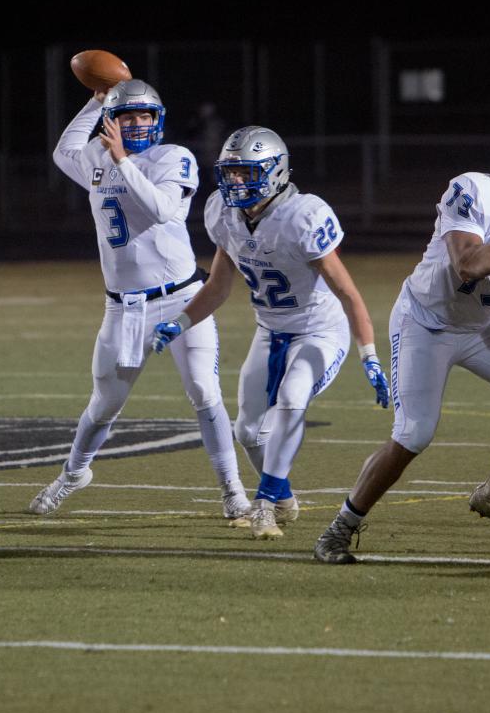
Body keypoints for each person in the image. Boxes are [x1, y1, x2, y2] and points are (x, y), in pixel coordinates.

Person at [314, 129, 490, 564]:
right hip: (426, 322)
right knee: (413, 434)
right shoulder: (477, 190)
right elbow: (468, 264)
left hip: (485, 326)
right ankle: (339, 529)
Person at [151, 126, 389, 539]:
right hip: (270, 330)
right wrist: (180, 322)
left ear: (274, 172)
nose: (236, 181)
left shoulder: (303, 216)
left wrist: (368, 354)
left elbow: (348, 294)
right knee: (247, 430)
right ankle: (282, 496)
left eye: (245, 172)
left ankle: (263, 502)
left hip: (318, 330)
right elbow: (218, 288)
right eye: (231, 172)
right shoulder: (225, 215)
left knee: (293, 397)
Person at [32, 79, 249, 518]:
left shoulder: (173, 157)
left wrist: (120, 160)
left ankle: (232, 489)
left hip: (183, 298)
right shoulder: (96, 154)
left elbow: (162, 209)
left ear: (158, 120)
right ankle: (74, 473)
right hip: (124, 306)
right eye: (126, 116)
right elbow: (63, 151)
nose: (136, 124)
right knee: (104, 404)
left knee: (206, 393)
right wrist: (94, 103)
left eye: (144, 116)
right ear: (112, 120)